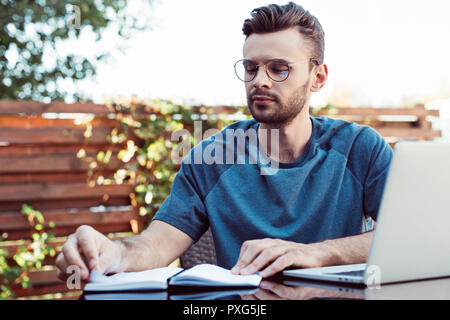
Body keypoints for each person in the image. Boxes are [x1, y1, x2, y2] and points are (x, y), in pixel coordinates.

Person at [56, 2, 393, 282]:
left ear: (317, 77)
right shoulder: (212, 157)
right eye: (251, 68)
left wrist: (315, 253)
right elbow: (156, 245)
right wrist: (110, 252)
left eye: (279, 69)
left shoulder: (360, 148)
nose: (260, 81)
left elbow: (407, 237)